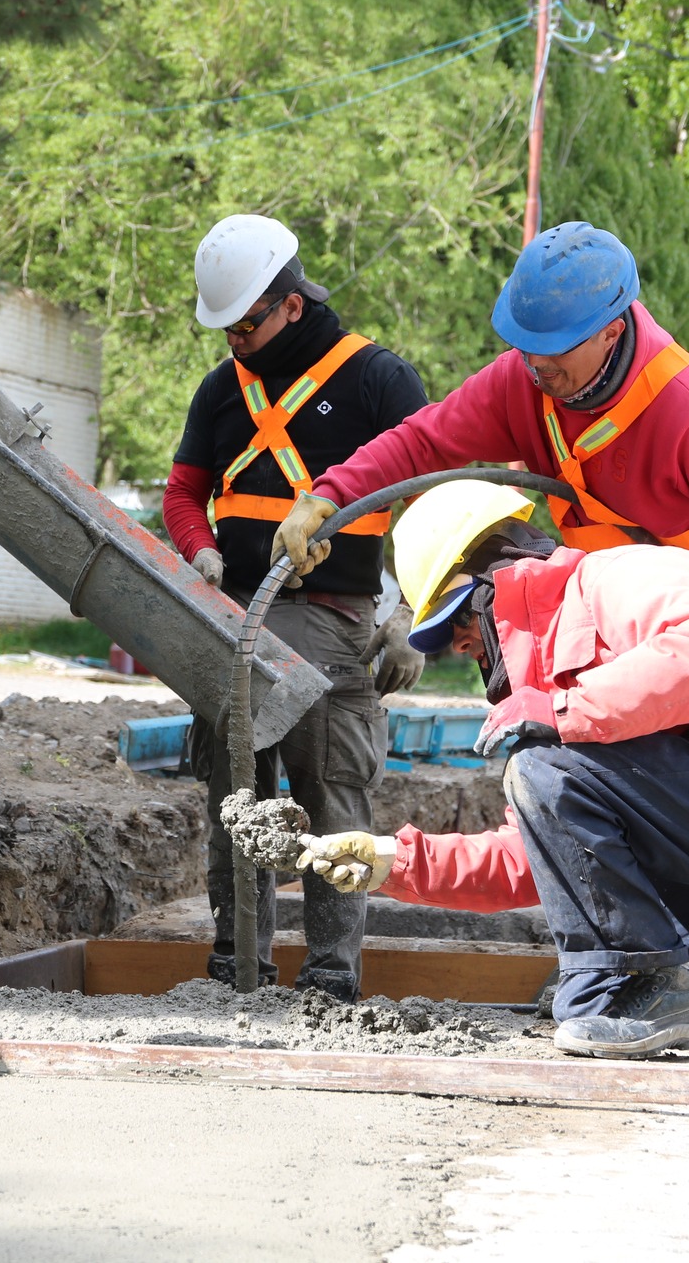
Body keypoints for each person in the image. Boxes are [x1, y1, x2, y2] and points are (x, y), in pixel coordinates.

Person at [296, 481, 689, 1059]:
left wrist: (560, 712)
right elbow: (549, 857)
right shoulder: (552, 691)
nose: (461, 646)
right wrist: (396, 861)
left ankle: (644, 983)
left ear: (498, 574)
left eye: (455, 620)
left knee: (544, 786)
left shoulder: (615, 578)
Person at [272, 221, 689, 675]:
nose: (535, 365)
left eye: (554, 348)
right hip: (617, 593)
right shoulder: (523, 381)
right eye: (524, 345)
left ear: (611, 331)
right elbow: (423, 441)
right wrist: (331, 495)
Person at [163, 214, 430, 1000]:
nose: (234, 342)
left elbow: (431, 503)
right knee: (234, 802)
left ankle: (330, 975)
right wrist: (197, 545)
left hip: (335, 620)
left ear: (290, 304)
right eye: (224, 329)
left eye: (245, 325)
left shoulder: (377, 378)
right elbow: (184, 490)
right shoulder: (222, 389)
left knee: (330, 798)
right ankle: (236, 964)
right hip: (235, 617)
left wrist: (411, 609)